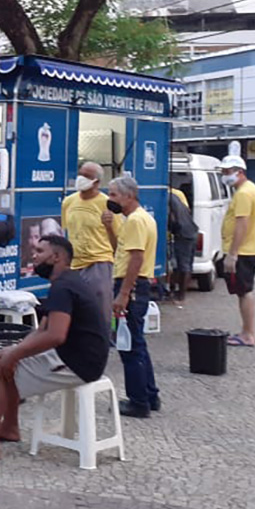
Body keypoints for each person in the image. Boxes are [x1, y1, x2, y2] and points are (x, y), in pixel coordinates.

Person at [0, 235, 109, 461]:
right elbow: (43, 328)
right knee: (7, 360)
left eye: (40, 252)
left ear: (56, 257)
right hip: (80, 356)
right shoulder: (68, 281)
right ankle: (9, 428)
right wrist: (15, 351)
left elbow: (55, 335)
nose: (33, 256)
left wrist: (13, 355)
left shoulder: (63, 286)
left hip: (79, 363)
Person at [109, 176, 160, 419]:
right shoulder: (137, 219)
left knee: (129, 346)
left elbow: (136, 258)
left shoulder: (137, 221)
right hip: (135, 284)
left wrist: (123, 293)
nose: (110, 200)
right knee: (137, 343)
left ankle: (138, 401)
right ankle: (149, 395)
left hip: (132, 284)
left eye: (114, 195)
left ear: (129, 196)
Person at [61, 162, 118, 330]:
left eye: (86, 176)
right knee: (76, 309)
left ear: (97, 182)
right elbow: (66, 232)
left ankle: (103, 340)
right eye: (80, 173)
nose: (80, 178)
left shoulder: (107, 204)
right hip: (74, 264)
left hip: (98, 262)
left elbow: (118, 241)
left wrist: (108, 226)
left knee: (99, 307)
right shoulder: (68, 202)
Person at [218, 155, 255, 347]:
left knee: (244, 291)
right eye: (223, 172)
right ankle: (248, 331)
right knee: (243, 291)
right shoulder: (250, 190)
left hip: (244, 251)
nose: (224, 176)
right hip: (249, 249)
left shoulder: (244, 194)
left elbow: (242, 224)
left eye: (227, 172)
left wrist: (232, 254)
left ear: (240, 172)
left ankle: (248, 334)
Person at [167, 185, 198, 307]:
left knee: (182, 265)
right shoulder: (175, 195)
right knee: (186, 265)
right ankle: (176, 292)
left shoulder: (166, 198)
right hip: (191, 229)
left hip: (183, 233)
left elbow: (171, 217)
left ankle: (180, 296)